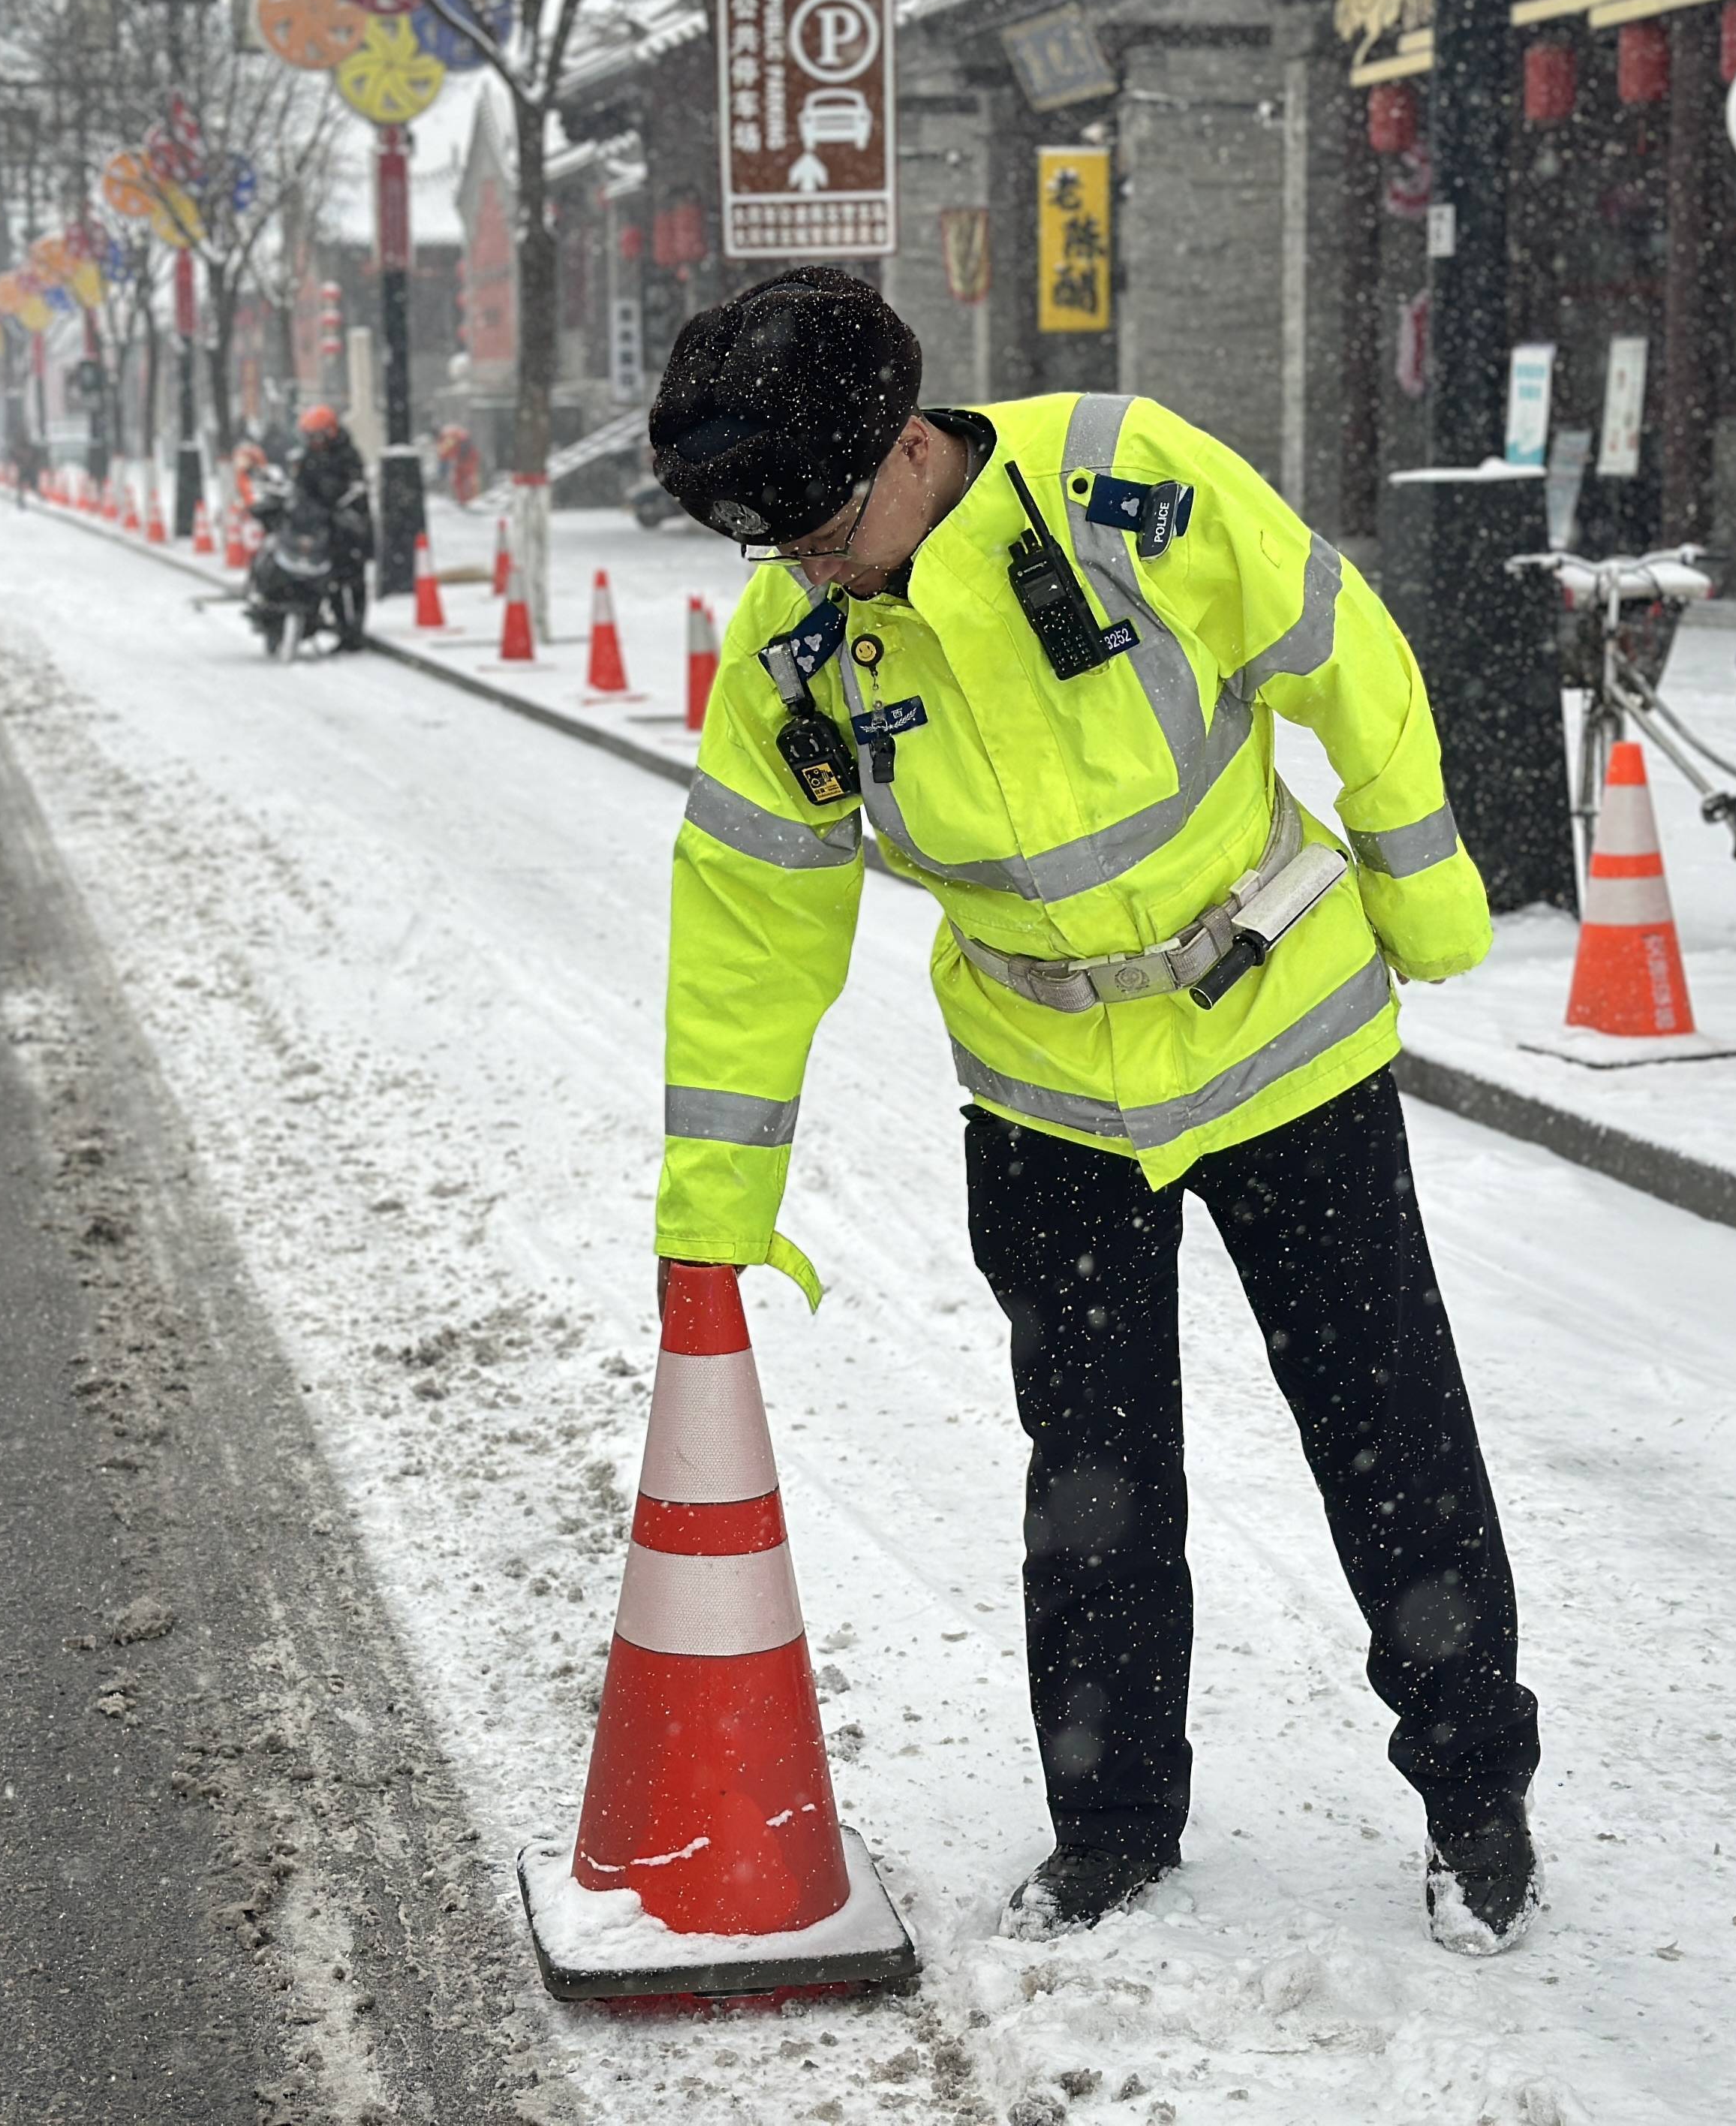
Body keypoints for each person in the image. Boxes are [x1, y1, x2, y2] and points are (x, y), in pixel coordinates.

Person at [646, 267, 1545, 1955]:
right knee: (1095, 1476)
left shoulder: (1127, 483)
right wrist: (715, 1199)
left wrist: (1423, 876)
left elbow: (1340, 652)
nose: (799, 567)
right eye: (765, 547)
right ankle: (1112, 1821)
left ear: (906, 445)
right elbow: (750, 918)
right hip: (1050, 1097)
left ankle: (1477, 1793)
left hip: (1288, 1040)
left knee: (1392, 1433)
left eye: (819, 525)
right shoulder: (800, 654)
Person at [290, 403, 372, 650]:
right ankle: (342, 628)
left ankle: (355, 629)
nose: (315, 441)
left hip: (350, 528)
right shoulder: (307, 459)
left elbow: (358, 487)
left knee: (355, 581)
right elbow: (301, 488)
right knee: (331, 580)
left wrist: (347, 508)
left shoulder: (348, 455)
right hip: (322, 529)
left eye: (318, 436)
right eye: (310, 437)